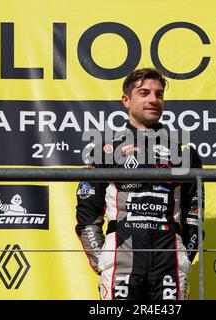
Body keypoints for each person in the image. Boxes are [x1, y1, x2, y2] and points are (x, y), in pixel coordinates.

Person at [75, 68, 204, 300]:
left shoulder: (184, 152)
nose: (153, 99)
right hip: (120, 257)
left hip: (169, 259)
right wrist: (103, 258)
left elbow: (193, 215)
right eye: (144, 93)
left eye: (159, 94)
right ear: (126, 100)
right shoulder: (103, 151)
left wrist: (185, 255)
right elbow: (87, 216)